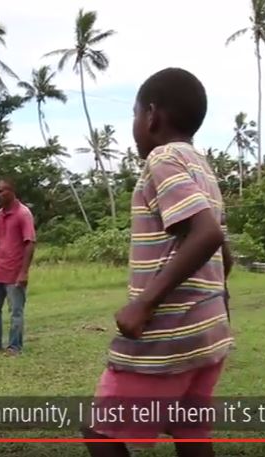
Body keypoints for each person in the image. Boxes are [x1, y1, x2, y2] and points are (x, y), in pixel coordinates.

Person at [82, 68, 234, 457]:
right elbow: (223, 249)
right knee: (190, 429)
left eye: (134, 115)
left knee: (101, 431)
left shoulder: (162, 159)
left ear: (151, 115)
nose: (134, 125)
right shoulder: (201, 165)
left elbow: (207, 234)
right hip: (206, 332)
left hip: (168, 333)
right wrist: (219, 301)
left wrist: (144, 302)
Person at [0, 179, 36, 356]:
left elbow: (30, 243)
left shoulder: (23, 214)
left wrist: (24, 272)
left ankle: (14, 346)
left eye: (0, 191)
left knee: (15, 312)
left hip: (14, 273)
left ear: (11, 192)